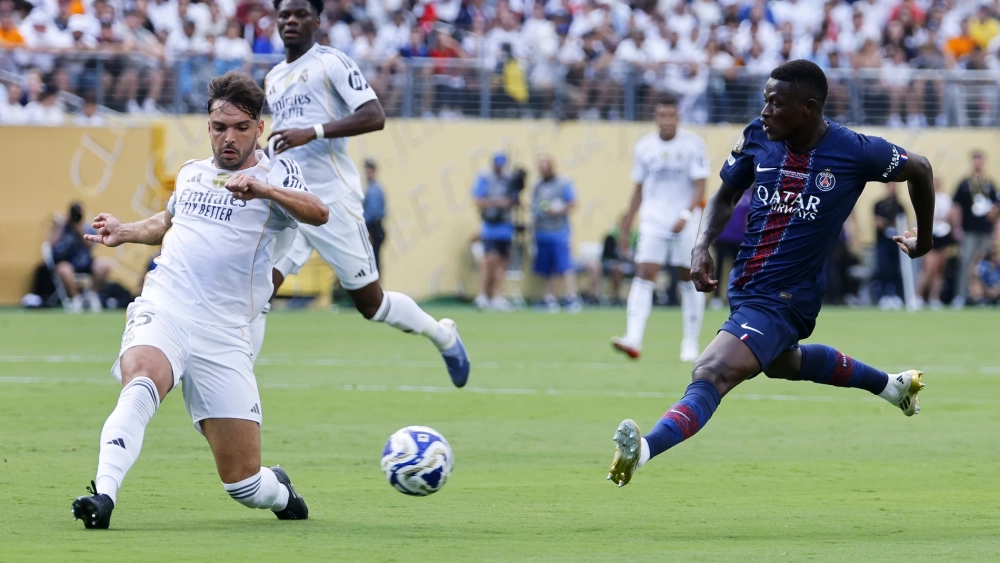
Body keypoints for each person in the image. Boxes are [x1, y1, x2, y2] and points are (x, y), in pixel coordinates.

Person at [607, 60, 935, 487]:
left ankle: (643, 450)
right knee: (785, 364)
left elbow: (921, 168)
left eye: (775, 103)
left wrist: (924, 241)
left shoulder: (853, 151)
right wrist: (701, 245)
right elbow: (725, 195)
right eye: (764, 101)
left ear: (808, 108)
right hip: (747, 287)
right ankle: (893, 387)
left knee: (711, 371)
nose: (764, 111)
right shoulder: (759, 137)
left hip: (786, 299)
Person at [71, 71, 326, 528]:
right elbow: (167, 222)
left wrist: (263, 188)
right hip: (165, 307)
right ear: (208, 127)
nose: (228, 138)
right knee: (142, 381)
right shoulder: (192, 174)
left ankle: (279, 491)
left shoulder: (276, 173)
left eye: (240, 128)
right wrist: (125, 232)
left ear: (259, 129)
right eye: (219, 127)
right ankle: (103, 495)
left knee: (243, 484)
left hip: (226, 333)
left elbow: (319, 213)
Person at [258, 0, 470, 387]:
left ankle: (442, 334)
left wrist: (314, 131)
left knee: (371, 305)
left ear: (318, 21)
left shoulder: (332, 63)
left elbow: (375, 115)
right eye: (284, 14)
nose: (290, 20)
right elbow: (287, 133)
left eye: (300, 14)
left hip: (332, 200)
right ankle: (234, 388)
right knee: (256, 291)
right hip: (289, 202)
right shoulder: (272, 78)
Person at [611, 93, 709, 362]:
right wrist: (626, 224)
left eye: (670, 115)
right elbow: (639, 189)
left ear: (678, 117)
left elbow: (700, 184)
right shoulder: (644, 147)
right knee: (644, 273)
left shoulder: (693, 145)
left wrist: (686, 214)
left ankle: (690, 344)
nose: (666, 121)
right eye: (661, 116)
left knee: (688, 278)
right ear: (655, 117)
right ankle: (633, 338)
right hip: (654, 219)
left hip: (684, 220)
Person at [531, 155, 580, 313]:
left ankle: (571, 297)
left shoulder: (563, 183)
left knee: (564, 265)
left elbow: (573, 203)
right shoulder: (537, 185)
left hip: (559, 231)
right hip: (542, 231)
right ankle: (550, 298)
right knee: (548, 268)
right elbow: (535, 204)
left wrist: (558, 210)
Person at [951, 150, 998, 308]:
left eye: (980, 160)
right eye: (975, 160)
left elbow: (996, 209)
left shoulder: (989, 184)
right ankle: (961, 295)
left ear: (983, 162)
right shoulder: (964, 184)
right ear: (972, 162)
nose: (978, 163)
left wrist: (994, 231)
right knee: (966, 262)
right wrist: (957, 228)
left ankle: (981, 296)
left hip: (985, 231)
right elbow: (957, 208)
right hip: (969, 231)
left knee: (984, 265)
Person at [49, 202, 112, 313]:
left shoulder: (85, 227)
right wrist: (61, 225)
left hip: (86, 262)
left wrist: (79, 229)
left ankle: (92, 295)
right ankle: (76, 298)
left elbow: (90, 245)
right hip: (67, 262)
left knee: (104, 264)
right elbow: (51, 244)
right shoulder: (62, 229)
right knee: (64, 269)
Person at [472, 152, 516, 311]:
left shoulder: (510, 179)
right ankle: (483, 295)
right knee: (489, 260)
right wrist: (497, 202)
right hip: (490, 226)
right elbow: (477, 200)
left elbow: (515, 200)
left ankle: (498, 296)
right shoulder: (485, 178)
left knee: (502, 262)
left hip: (505, 226)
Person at [915, 178, 955, 308]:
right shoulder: (925, 197)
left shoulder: (945, 199)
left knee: (939, 269)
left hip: (943, 235)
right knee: (928, 268)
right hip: (931, 234)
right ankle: (918, 296)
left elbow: (949, 216)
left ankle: (934, 297)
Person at [872, 182, 904, 309]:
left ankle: (895, 295)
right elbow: (877, 223)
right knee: (883, 267)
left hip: (896, 242)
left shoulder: (900, 206)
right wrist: (889, 224)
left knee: (895, 268)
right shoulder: (878, 204)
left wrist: (889, 224)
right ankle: (883, 296)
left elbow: (901, 223)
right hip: (882, 241)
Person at [362, 158, 386, 272]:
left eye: (370, 171)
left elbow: (371, 214)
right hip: (374, 228)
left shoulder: (374, 190)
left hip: (373, 229)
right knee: (373, 261)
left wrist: (360, 224)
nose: (368, 174)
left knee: (373, 263)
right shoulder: (372, 188)